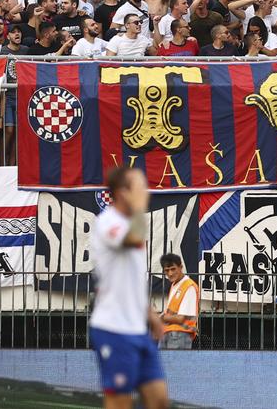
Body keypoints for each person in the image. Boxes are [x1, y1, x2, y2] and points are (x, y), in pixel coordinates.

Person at [90, 166, 170, 409]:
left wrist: (150, 314)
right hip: (113, 329)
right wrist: (139, 206)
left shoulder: (129, 223)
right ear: (123, 192)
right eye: (139, 186)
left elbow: (130, 280)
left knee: (159, 400)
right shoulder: (107, 222)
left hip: (138, 330)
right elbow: (133, 238)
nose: (145, 191)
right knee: (120, 403)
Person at [157, 252, 200, 350]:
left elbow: (181, 318)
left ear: (181, 267)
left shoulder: (189, 286)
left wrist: (160, 318)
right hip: (168, 332)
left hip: (180, 334)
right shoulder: (175, 285)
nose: (170, 273)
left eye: (173, 269)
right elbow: (171, 312)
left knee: (174, 365)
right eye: (167, 270)